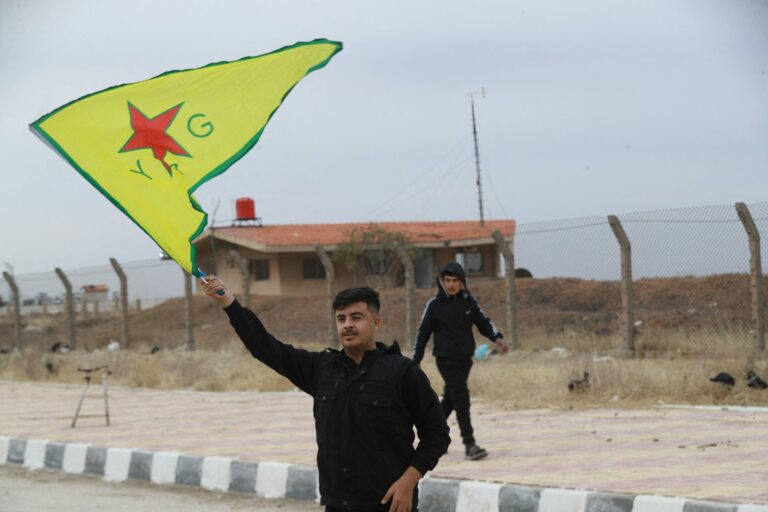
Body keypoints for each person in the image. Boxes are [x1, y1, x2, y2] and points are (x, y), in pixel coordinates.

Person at [202, 275, 449, 512]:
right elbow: (266, 348)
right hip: (337, 502)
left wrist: (408, 482)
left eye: (357, 317)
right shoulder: (321, 369)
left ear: (376, 322)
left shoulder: (402, 372)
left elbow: (436, 434)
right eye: (341, 319)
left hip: (389, 502)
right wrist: (229, 304)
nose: (348, 325)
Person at [411, 262, 507, 461]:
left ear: (462, 282)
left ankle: (433, 438)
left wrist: (496, 337)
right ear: (442, 282)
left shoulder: (469, 303)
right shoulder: (434, 305)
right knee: (461, 398)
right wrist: (416, 360)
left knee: (450, 399)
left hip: (465, 359)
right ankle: (469, 444)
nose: (451, 284)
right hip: (445, 360)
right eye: (447, 280)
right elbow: (423, 333)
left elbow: (483, 323)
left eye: (455, 280)